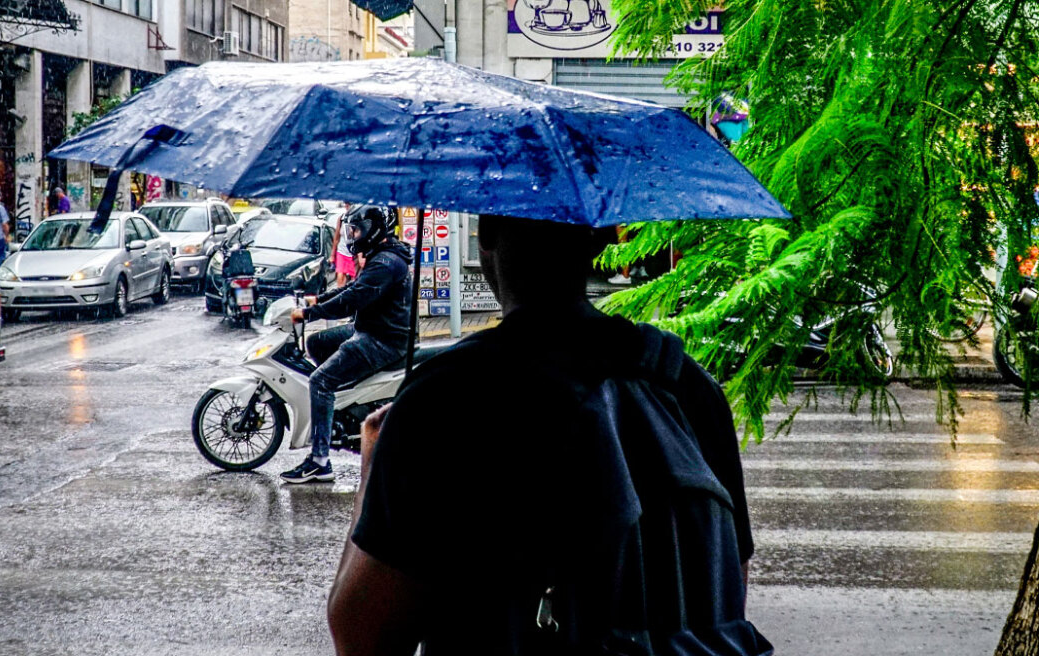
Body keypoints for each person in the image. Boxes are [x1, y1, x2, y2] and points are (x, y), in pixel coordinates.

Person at [327, 215, 765, 654]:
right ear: (603, 238)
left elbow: (362, 640)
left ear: (487, 234)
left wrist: (371, 472)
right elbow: (728, 589)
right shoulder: (688, 387)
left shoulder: (447, 398)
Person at [279, 205, 411, 484]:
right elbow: (352, 288)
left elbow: (352, 301)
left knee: (320, 381)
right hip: (371, 328)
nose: (352, 236)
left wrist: (310, 313)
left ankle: (319, 462)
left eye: (357, 230)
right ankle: (339, 404)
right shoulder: (380, 255)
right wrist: (319, 299)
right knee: (316, 342)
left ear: (373, 229)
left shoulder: (386, 263)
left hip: (382, 339)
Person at [330, 208, 358, 288]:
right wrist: (332, 255)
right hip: (341, 252)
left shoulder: (358, 218)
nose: (347, 206)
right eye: (346, 203)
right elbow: (336, 238)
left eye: (349, 204)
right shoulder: (342, 218)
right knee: (340, 277)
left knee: (355, 280)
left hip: (353, 255)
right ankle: (340, 294)